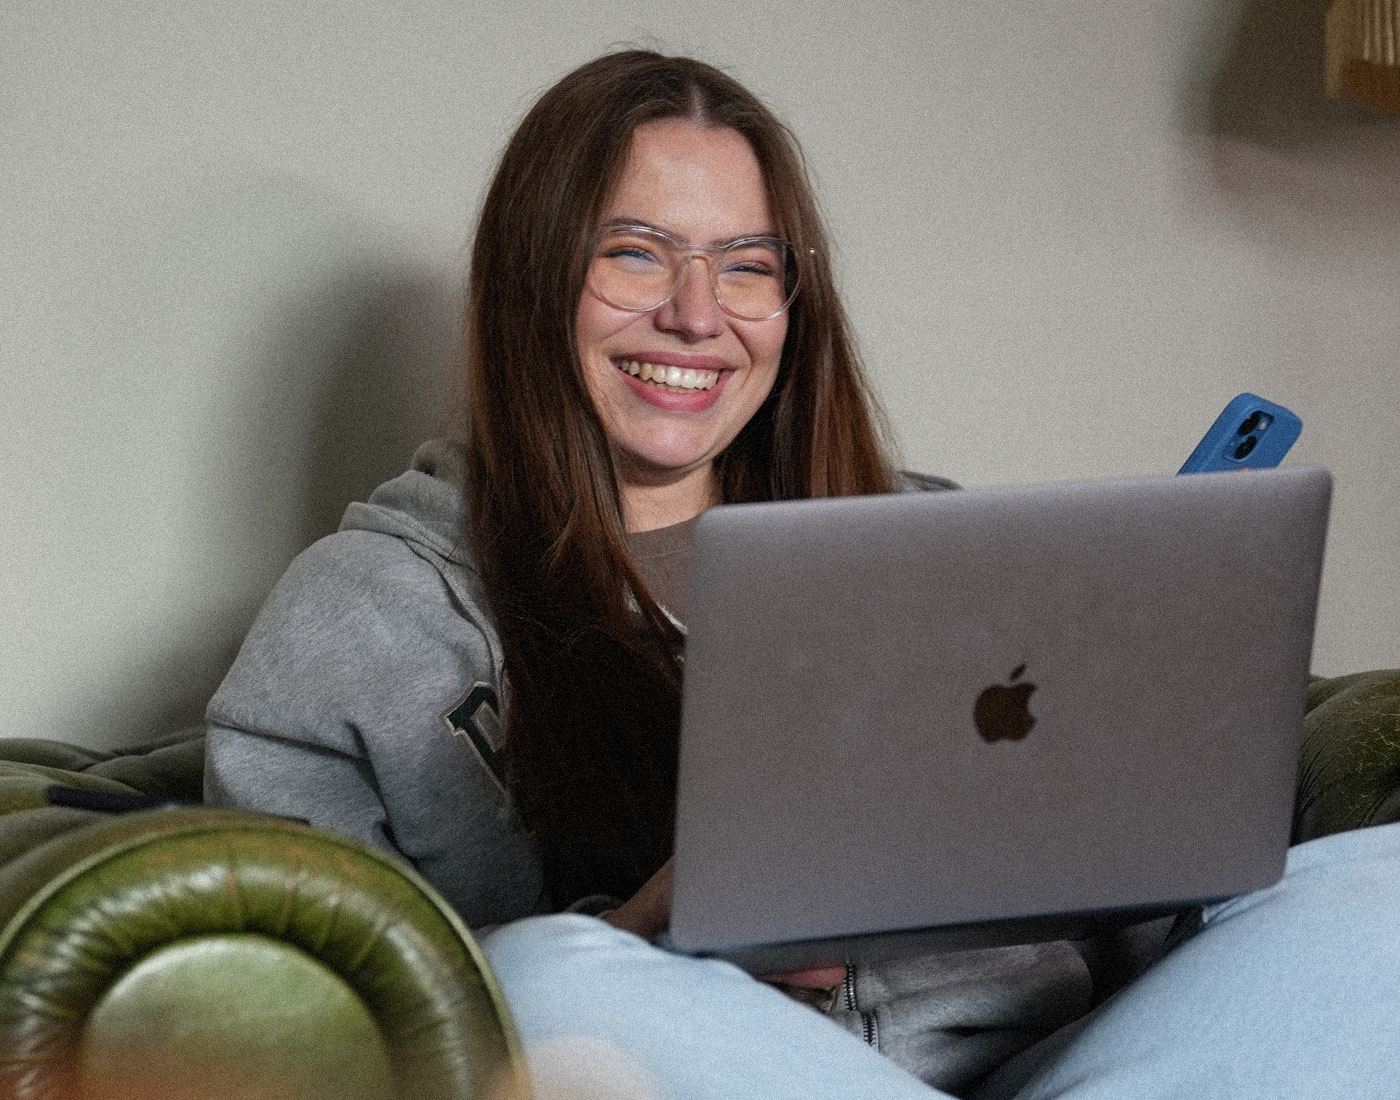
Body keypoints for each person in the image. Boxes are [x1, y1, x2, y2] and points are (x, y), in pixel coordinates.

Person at [206, 50, 1400, 1100]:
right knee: (537, 983)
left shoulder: (935, 541)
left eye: (745, 265)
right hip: (715, 1067)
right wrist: (634, 936)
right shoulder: (368, 610)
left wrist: (1152, 758)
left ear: (792, 299)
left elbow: (1151, 935)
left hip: (1070, 1063)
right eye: (633, 253)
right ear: (529, 279)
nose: (694, 314)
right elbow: (300, 1016)